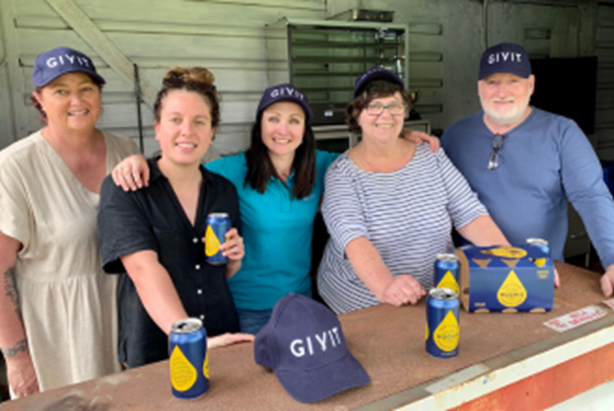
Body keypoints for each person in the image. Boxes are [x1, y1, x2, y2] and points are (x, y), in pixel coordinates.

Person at [112, 82, 439, 334]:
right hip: (246, 307)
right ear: (260, 125)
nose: (283, 129)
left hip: (301, 302)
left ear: (304, 129)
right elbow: (181, 164)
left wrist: (398, 135)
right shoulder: (230, 170)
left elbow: (369, 157)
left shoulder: (326, 167)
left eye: (294, 120)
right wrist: (140, 160)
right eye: (273, 119)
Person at [441, 42, 614, 304]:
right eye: (492, 81)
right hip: (472, 278)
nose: (502, 91)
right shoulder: (456, 135)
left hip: (543, 275)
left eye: (514, 81)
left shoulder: (562, 133)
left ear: (531, 85)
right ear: (479, 87)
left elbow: (593, 198)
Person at [0, 47, 141, 397]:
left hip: (126, 321)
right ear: (39, 100)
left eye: (86, 88)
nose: (76, 99)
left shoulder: (125, 150)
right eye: (61, 90)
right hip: (58, 338)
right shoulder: (14, 167)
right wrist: (17, 358)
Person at [317, 67, 510, 315]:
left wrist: (511, 260)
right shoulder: (342, 174)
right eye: (374, 106)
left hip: (434, 290)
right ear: (356, 115)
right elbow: (354, 239)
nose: (385, 115)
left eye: (395, 105)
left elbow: (468, 212)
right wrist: (386, 286)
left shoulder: (431, 155)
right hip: (364, 299)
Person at [98, 67, 254, 368]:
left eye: (199, 122)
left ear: (211, 132)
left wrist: (234, 259)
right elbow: (143, 270)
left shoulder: (224, 191)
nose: (187, 131)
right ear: (157, 128)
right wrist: (194, 340)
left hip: (221, 334)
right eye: (175, 120)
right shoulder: (126, 189)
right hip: (156, 345)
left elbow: (221, 272)